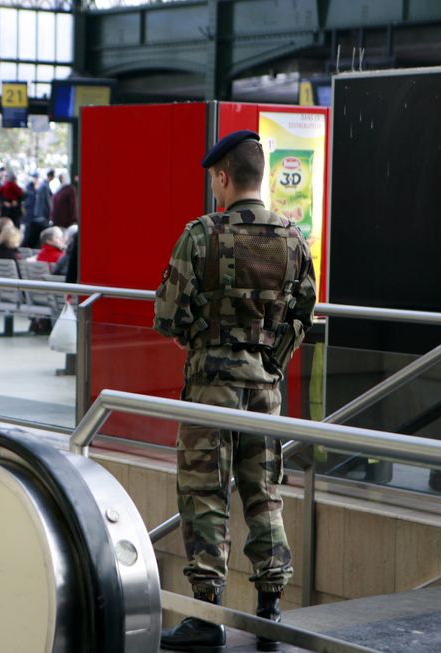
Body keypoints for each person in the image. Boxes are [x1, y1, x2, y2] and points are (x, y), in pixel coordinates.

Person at [155, 130, 316, 653]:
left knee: (206, 494)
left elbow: (167, 314)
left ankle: (207, 617)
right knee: (263, 492)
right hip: (264, 392)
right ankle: (270, 605)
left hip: (210, 387)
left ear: (223, 177)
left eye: (214, 182)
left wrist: (201, 343)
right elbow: (303, 313)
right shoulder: (293, 239)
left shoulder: (201, 235)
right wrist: (271, 359)